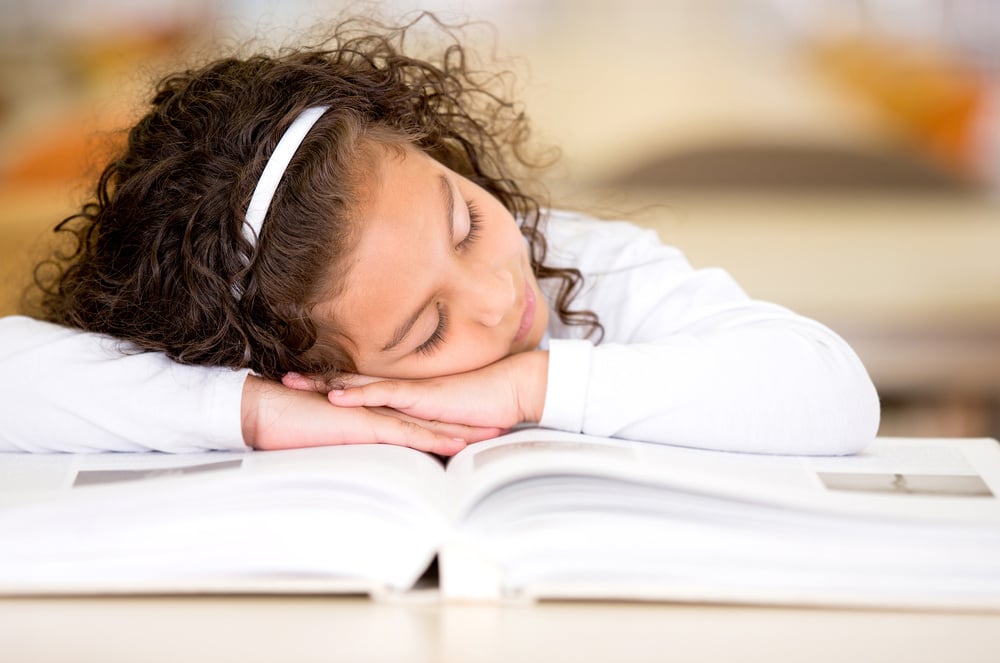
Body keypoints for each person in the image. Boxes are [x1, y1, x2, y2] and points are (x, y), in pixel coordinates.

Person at [0, 16, 879, 455]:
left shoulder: (575, 264)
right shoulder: (259, 372)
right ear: (306, 369)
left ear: (433, 145)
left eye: (466, 222)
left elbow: (832, 391)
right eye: (425, 331)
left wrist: (533, 387)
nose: (503, 292)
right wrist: (262, 415)